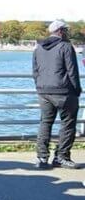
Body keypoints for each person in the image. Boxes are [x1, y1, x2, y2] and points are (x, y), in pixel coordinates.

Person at [33, 20, 82, 169]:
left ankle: (42, 157)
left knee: (45, 123)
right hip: (64, 92)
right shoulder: (66, 46)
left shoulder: (38, 48)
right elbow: (72, 71)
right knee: (68, 124)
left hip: (43, 91)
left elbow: (35, 71)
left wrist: (40, 86)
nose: (68, 32)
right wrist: (77, 90)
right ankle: (61, 157)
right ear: (61, 31)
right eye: (66, 30)